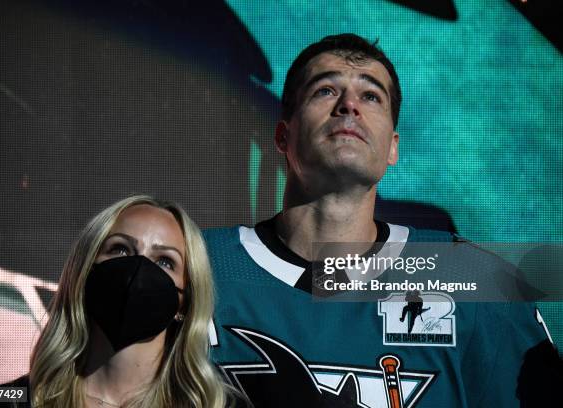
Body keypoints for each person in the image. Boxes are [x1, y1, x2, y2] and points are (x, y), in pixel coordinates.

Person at [203, 34, 559, 407]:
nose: (349, 106)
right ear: (282, 135)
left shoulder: (476, 283)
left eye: (371, 96)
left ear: (393, 146)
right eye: (325, 91)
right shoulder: (199, 267)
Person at [0, 195, 238, 407]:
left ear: (185, 302)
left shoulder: (216, 404)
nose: (139, 269)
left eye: (165, 262)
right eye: (120, 249)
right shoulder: (6, 402)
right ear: (86, 270)